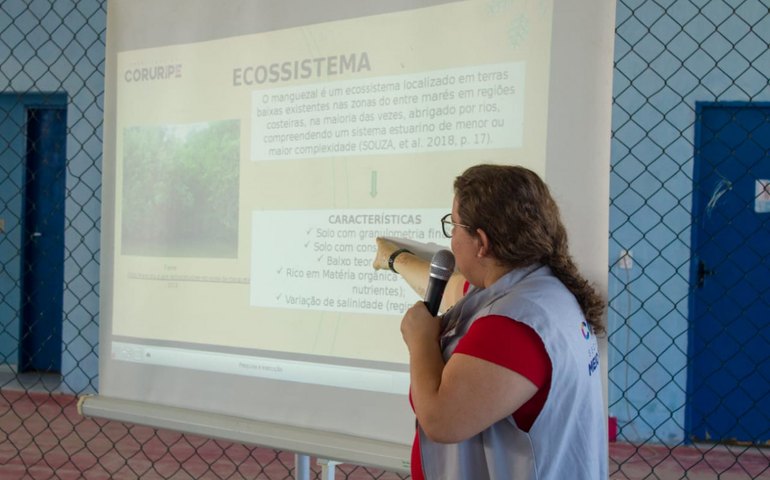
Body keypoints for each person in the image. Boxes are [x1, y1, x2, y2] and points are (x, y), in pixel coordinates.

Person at [372, 164, 608, 479]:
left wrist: (420, 340)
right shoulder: (536, 288)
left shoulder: (511, 325)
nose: (451, 239)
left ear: (481, 242)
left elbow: (442, 421)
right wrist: (396, 260)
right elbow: (455, 289)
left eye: (454, 226)